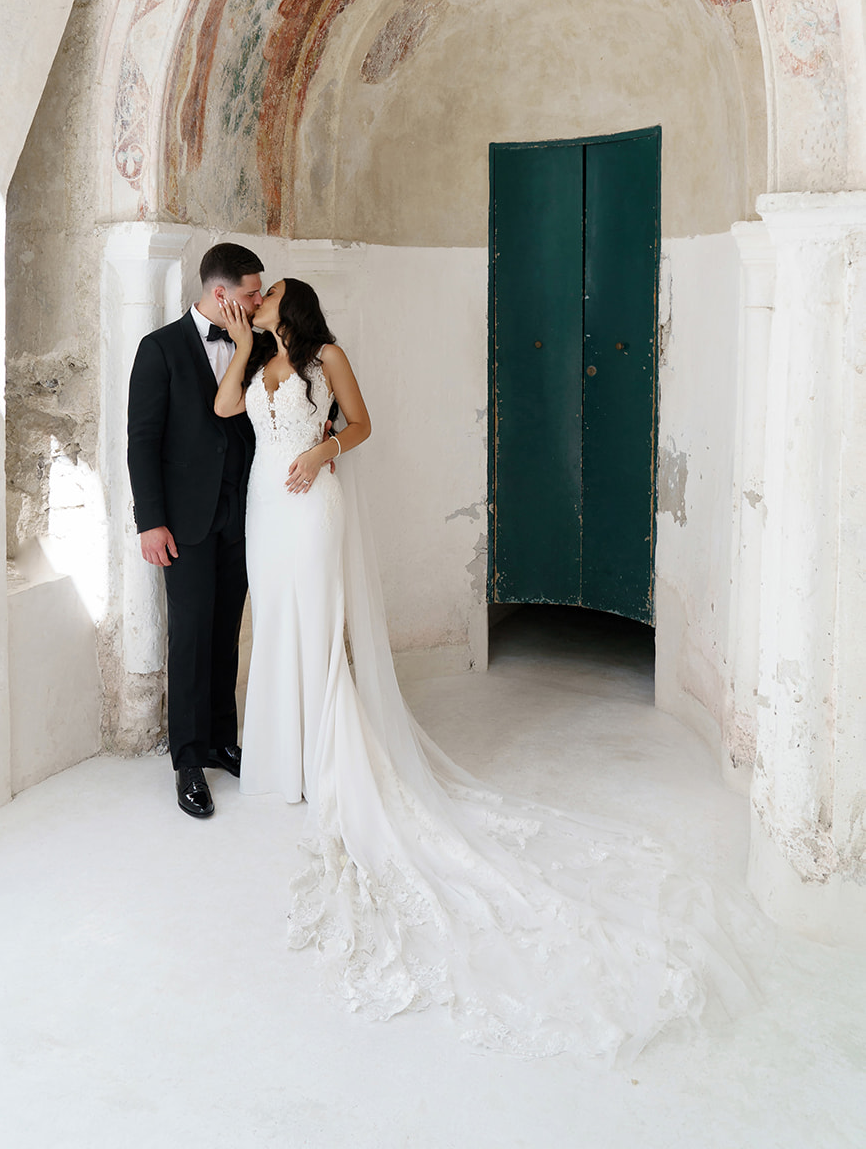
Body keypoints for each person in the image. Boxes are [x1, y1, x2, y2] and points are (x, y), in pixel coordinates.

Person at [214, 276, 761, 1060]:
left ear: (290, 306)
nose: (257, 299)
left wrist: (321, 449)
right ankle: (283, 758)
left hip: (310, 505)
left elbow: (362, 424)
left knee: (315, 627)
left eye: (266, 295)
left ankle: (325, 756)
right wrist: (241, 348)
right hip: (264, 508)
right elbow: (225, 411)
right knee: (275, 625)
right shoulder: (257, 361)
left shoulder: (326, 356)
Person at [126, 242, 264, 819]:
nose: (259, 302)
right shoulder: (158, 348)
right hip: (183, 522)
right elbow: (142, 441)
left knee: (226, 630)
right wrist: (150, 522)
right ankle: (187, 759)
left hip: (245, 513)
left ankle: (220, 740)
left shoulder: (258, 346)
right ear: (221, 293)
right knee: (189, 636)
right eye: (252, 294)